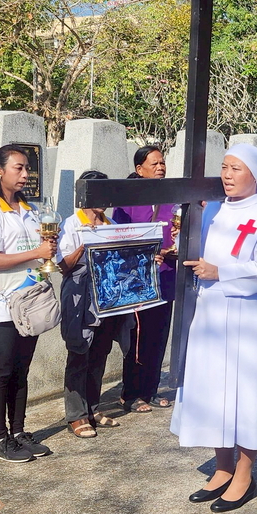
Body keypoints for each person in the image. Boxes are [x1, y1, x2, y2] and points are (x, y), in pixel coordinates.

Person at [172, 144, 257, 512]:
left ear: (255, 176)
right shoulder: (214, 210)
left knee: (245, 394)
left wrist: (221, 272)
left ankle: (244, 474)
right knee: (213, 391)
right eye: (224, 167)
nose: (227, 175)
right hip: (209, 310)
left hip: (245, 315)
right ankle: (222, 467)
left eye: (236, 168)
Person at [0, 144, 55, 462]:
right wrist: (36, 252)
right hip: (4, 304)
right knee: (2, 370)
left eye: (27, 168)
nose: (25, 174)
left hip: (31, 302)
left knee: (21, 370)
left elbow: (39, 250)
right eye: (18, 167)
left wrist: (47, 251)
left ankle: (18, 433)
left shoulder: (29, 210)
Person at [57, 171, 132, 438]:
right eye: (98, 193)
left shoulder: (112, 223)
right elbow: (63, 266)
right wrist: (86, 243)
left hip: (107, 296)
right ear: (85, 195)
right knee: (80, 352)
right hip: (80, 295)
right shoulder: (70, 224)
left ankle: (92, 408)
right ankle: (76, 415)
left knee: (100, 353)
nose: (104, 200)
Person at [112, 146, 177, 413]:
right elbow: (117, 237)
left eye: (162, 163)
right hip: (137, 281)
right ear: (139, 169)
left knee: (159, 336)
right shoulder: (128, 200)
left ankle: (150, 390)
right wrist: (145, 255)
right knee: (137, 337)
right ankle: (130, 393)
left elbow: (179, 232)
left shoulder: (172, 198)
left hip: (166, 277)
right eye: (154, 164)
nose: (160, 167)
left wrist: (172, 249)